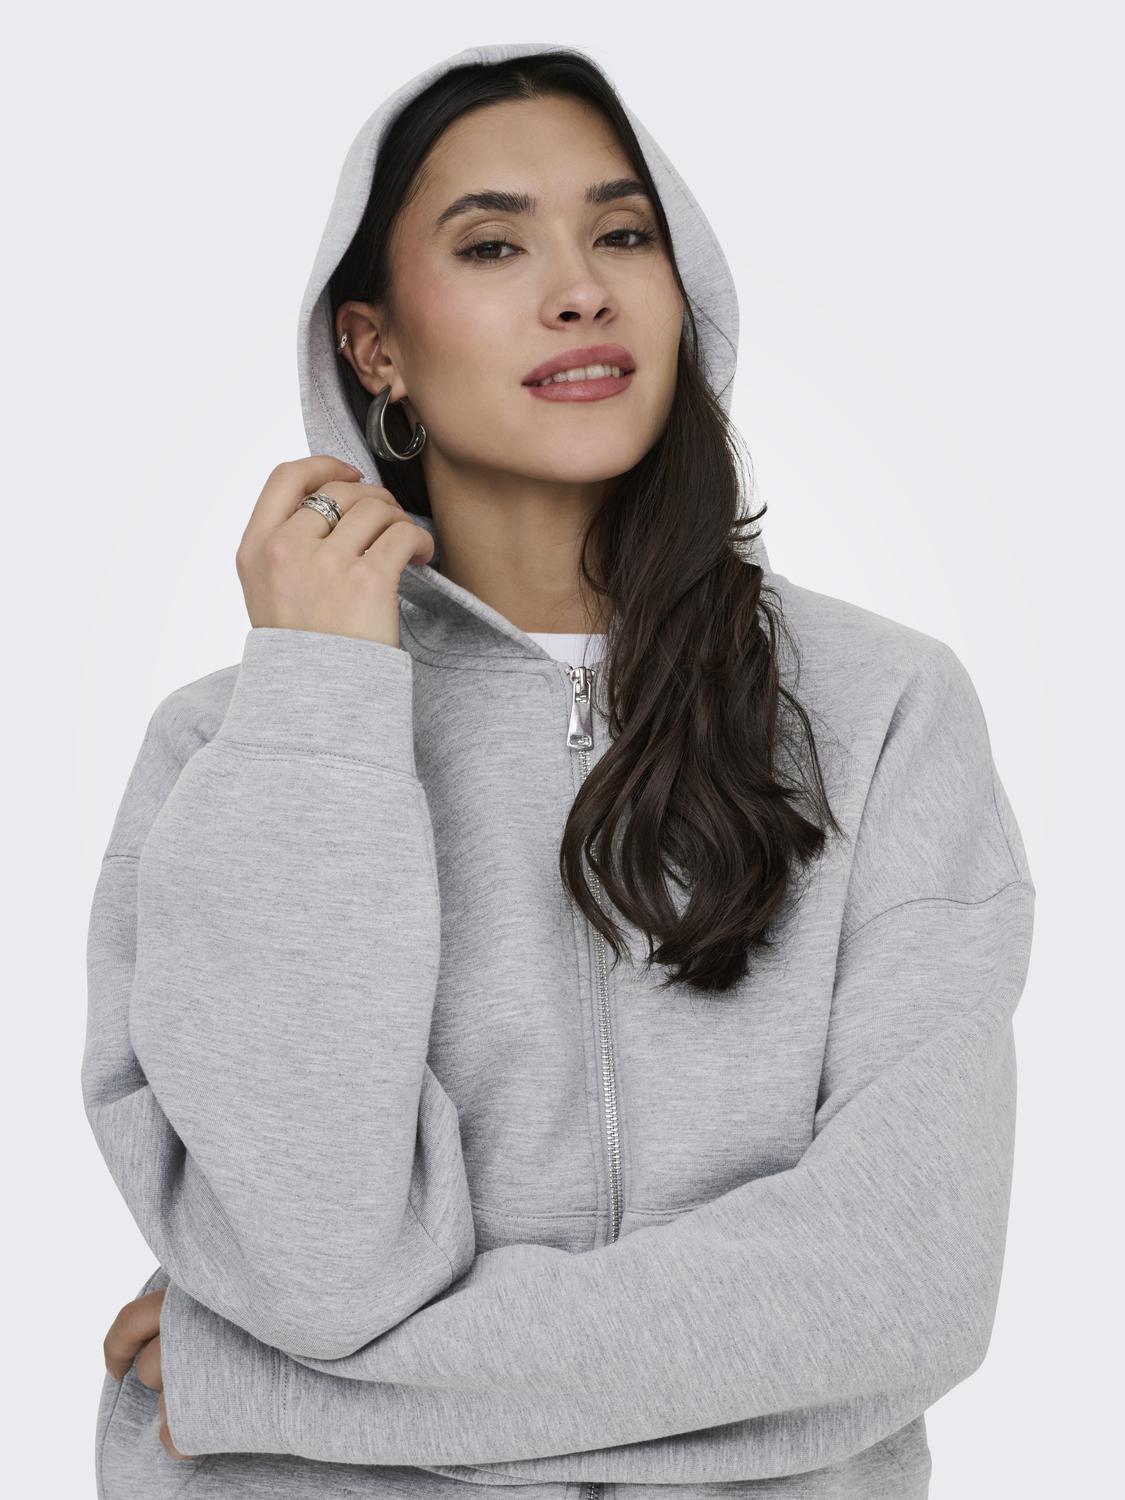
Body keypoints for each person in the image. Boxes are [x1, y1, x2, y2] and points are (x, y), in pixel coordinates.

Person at [84, 40, 1036, 1500]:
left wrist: (273, 1393)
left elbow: (894, 1289)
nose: (580, 289)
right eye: (492, 244)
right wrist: (322, 703)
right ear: (373, 347)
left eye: (623, 235)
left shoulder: (882, 711)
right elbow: (314, 1263)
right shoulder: (234, 749)